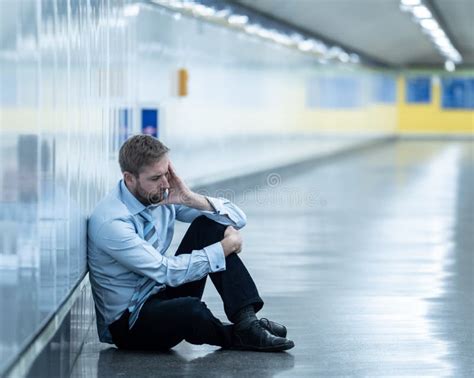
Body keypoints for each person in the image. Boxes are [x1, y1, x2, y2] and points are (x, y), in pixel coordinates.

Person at [87, 135, 294, 352]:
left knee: (209, 225)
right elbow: (164, 271)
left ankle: (247, 321)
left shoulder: (159, 197)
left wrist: (189, 198)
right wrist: (223, 249)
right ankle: (237, 335)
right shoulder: (112, 221)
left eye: (167, 173)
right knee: (190, 310)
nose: (166, 184)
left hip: (159, 293)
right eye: (156, 178)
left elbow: (237, 219)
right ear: (130, 179)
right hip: (130, 323)